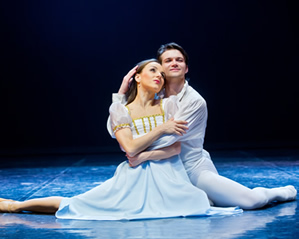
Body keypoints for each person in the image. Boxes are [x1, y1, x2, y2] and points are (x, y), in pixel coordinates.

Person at [0, 59, 241, 220]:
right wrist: (157, 130)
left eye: (162, 75)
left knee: (199, 204)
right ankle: (16, 206)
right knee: (80, 205)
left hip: (169, 176)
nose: (160, 76)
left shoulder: (169, 105)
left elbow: (175, 147)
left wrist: (145, 154)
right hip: (134, 177)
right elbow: (128, 146)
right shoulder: (121, 110)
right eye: (153, 70)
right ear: (137, 77)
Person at [110, 43, 297, 210]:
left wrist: (138, 151)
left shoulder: (195, 101)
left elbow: (168, 139)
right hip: (161, 170)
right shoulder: (154, 96)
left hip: (191, 168)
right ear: (160, 69)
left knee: (251, 202)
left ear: (186, 67)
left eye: (179, 60)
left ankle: (280, 192)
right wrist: (121, 93)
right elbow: (114, 128)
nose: (174, 63)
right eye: (168, 60)